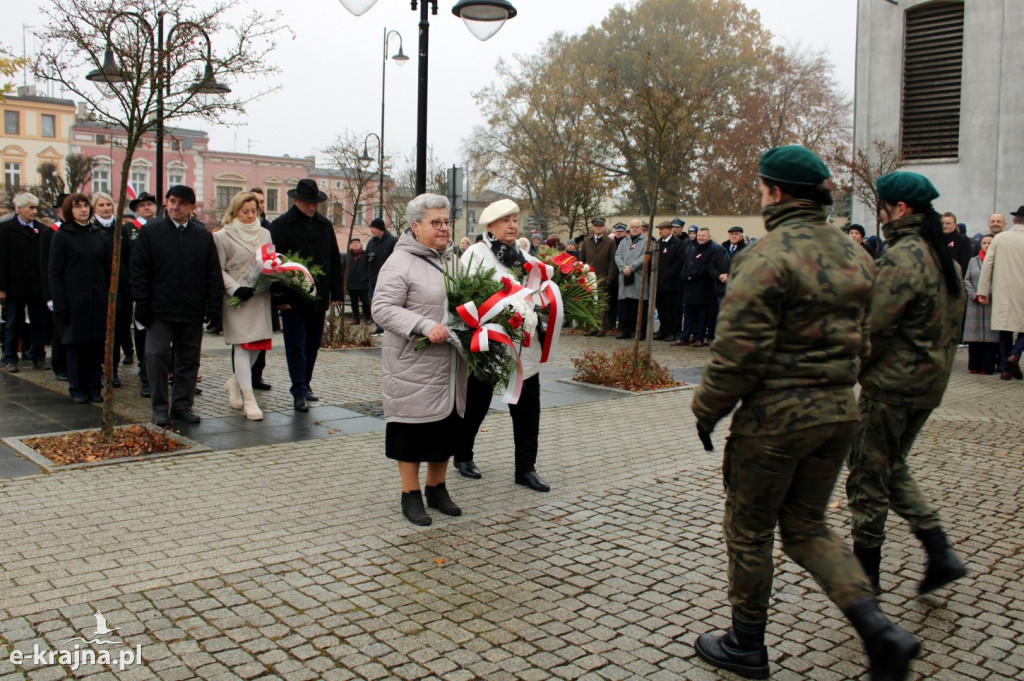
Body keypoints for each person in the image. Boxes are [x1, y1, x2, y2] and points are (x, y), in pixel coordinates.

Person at [691, 145, 918, 681]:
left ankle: (745, 642)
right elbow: (866, 340)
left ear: (774, 192)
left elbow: (736, 352)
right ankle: (878, 630)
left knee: (749, 529)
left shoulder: (766, 256)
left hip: (776, 419)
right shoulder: (857, 253)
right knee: (807, 526)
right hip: (839, 411)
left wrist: (707, 410)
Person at [846, 171, 968, 600]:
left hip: (890, 389)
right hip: (928, 387)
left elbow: (870, 330)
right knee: (892, 467)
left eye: (881, 209)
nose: (878, 217)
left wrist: (847, 373)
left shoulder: (902, 259)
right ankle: (940, 553)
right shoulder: (945, 260)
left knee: (867, 475)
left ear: (898, 210)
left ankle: (867, 581)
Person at [371, 193, 465, 526]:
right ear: (415, 226)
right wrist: (423, 325)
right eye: (435, 222)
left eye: (447, 221)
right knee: (410, 432)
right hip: (412, 364)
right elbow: (381, 309)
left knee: (445, 428)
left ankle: (437, 488)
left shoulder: (456, 260)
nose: (443, 228)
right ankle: (410, 495)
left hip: (451, 364)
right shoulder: (400, 262)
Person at [456, 199, 550, 493]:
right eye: (505, 220)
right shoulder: (475, 254)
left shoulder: (522, 256)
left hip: (523, 345)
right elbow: (463, 295)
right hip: (489, 343)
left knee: (527, 408)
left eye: (514, 219)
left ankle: (526, 468)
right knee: (476, 404)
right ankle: (463, 455)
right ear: (491, 226)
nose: (512, 225)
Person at [130, 185, 224, 426]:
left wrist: (214, 307)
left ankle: (182, 405)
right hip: (159, 310)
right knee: (157, 356)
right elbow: (138, 271)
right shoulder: (152, 231)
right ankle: (159, 407)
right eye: (172, 201)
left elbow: (212, 273)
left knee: (188, 360)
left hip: (191, 309)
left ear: (192, 208)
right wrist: (141, 303)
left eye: (182, 203)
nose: (175, 206)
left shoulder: (202, 235)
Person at [269, 178, 344, 412]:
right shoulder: (281, 225)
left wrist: (336, 292)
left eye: (315, 203)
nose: (312, 207)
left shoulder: (324, 225)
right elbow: (275, 263)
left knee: (312, 344)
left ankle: (306, 383)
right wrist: (279, 298)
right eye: (308, 203)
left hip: (318, 295)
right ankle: (298, 389)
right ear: (296, 200)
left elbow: (334, 259)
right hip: (293, 297)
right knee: (296, 346)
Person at [214, 191, 273, 421]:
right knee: (242, 346)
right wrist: (235, 288)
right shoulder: (223, 236)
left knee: (258, 345)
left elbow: (268, 261)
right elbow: (218, 269)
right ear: (235, 211)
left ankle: (235, 382)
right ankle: (249, 399)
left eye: (254, 211)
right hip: (237, 298)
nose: (250, 216)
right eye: (245, 211)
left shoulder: (265, 233)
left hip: (259, 296)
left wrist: (273, 276)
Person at [49, 194, 112, 404]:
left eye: (86, 206)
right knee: (76, 345)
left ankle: (94, 386)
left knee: (95, 345)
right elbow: (55, 273)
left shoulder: (99, 234)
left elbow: (107, 268)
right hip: (73, 300)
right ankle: (77, 387)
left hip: (97, 299)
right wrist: (59, 303)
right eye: (78, 207)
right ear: (70, 211)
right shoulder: (62, 235)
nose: (83, 210)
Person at [0, 192, 48, 372]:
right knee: (13, 322)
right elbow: (2, 260)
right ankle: (10, 357)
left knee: (38, 323)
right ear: (19, 209)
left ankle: (38, 356)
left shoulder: (42, 230)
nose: (34, 211)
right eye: (30, 208)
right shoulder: (6, 230)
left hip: (37, 285)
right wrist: (2, 287)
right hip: (15, 285)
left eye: (36, 207)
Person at [977, 205, 1024, 380]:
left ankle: (1005, 368)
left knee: (1004, 329)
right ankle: (1015, 354)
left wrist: (983, 290)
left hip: (1003, 289)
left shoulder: (1000, 238)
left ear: (1013, 221)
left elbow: (988, 264)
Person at [127, 191, 158, 397]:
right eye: (142, 205)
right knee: (142, 331)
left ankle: (163, 374)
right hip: (139, 288)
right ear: (136, 210)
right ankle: (145, 372)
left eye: (150, 204)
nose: (147, 208)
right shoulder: (128, 230)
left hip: (162, 290)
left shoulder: (161, 227)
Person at [673, 227, 724, 347]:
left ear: (709, 237)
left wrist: (691, 275)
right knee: (688, 314)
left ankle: (699, 338)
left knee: (701, 315)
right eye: (699, 235)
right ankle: (685, 337)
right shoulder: (693, 248)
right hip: (689, 287)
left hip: (703, 287)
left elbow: (708, 267)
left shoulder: (713, 250)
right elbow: (686, 263)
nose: (700, 237)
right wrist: (684, 275)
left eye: (703, 236)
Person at [248, 186, 275, 391]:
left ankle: (257, 375)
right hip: (244, 290)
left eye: (262, 202)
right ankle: (242, 376)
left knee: (262, 336)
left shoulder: (268, 228)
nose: (259, 205)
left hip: (264, 290)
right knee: (243, 338)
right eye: (255, 201)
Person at [962, 235, 1000, 374]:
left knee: (990, 338)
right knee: (974, 336)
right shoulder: (973, 261)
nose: (987, 245)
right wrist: (975, 295)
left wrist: (986, 294)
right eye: (984, 243)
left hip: (991, 302)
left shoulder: (999, 262)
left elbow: (998, 280)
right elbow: (967, 280)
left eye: (990, 243)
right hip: (975, 303)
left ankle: (987, 366)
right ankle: (974, 366)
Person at [579, 216, 617, 337]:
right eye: (596, 225)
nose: (598, 227)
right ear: (593, 227)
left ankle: (601, 327)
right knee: (589, 303)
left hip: (603, 276)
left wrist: (610, 277)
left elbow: (613, 261)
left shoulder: (610, 242)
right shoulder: (586, 241)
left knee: (602, 303)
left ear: (604, 227)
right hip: (589, 277)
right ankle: (591, 327)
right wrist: (581, 275)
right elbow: (582, 259)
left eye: (600, 226)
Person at [614, 219, 649, 340]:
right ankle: (625, 331)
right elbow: (617, 255)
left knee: (637, 306)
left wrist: (632, 267)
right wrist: (623, 267)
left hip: (638, 277)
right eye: (632, 226)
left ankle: (639, 332)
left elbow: (645, 256)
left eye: (637, 227)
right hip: (624, 276)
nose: (634, 229)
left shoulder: (646, 241)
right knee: (625, 306)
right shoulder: (624, 241)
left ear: (641, 228)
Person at [652, 221, 685, 341]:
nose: (660, 231)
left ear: (669, 230)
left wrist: (669, 273)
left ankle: (674, 331)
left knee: (672, 309)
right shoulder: (658, 243)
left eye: (662, 229)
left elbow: (679, 261)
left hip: (672, 283)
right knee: (661, 309)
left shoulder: (677, 244)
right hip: (659, 283)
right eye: (659, 229)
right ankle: (664, 330)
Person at [366, 217, 397, 335]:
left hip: (388, 280)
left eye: (373, 228)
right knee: (375, 304)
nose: (371, 231)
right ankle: (379, 327)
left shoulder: (392, 241)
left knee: (388, 303)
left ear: (380, 228)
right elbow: (365, 257)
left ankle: (388, 327)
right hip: (373, 279)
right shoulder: (371, 242)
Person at [345, 238, 371, 324]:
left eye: (357, 243)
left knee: (365, 302)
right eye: (353, 243)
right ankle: (356, 318)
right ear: (350, 246)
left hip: (363, 283)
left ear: (360, 245)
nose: (355, 245)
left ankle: (367, 317)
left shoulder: (366, 255)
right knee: (354, 302)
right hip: (351, 283)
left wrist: (366, 277)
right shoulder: (347, 257)